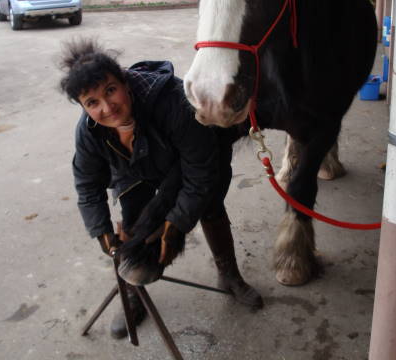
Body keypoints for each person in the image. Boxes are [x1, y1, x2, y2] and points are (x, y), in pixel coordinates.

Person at [59, 39, 262, 340]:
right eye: (92, 103)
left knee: (209, 205)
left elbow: (200, 174)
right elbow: (87, 184)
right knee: (132, 219)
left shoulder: (172, 102)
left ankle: (229, 275)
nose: (107, 107)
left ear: (124, 82)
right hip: (134, 169)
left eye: (110, 90)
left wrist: (176, 224)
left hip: (189, 161)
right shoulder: (88, 131)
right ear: (82, 106)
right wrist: (100, 230)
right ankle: (132, 292)